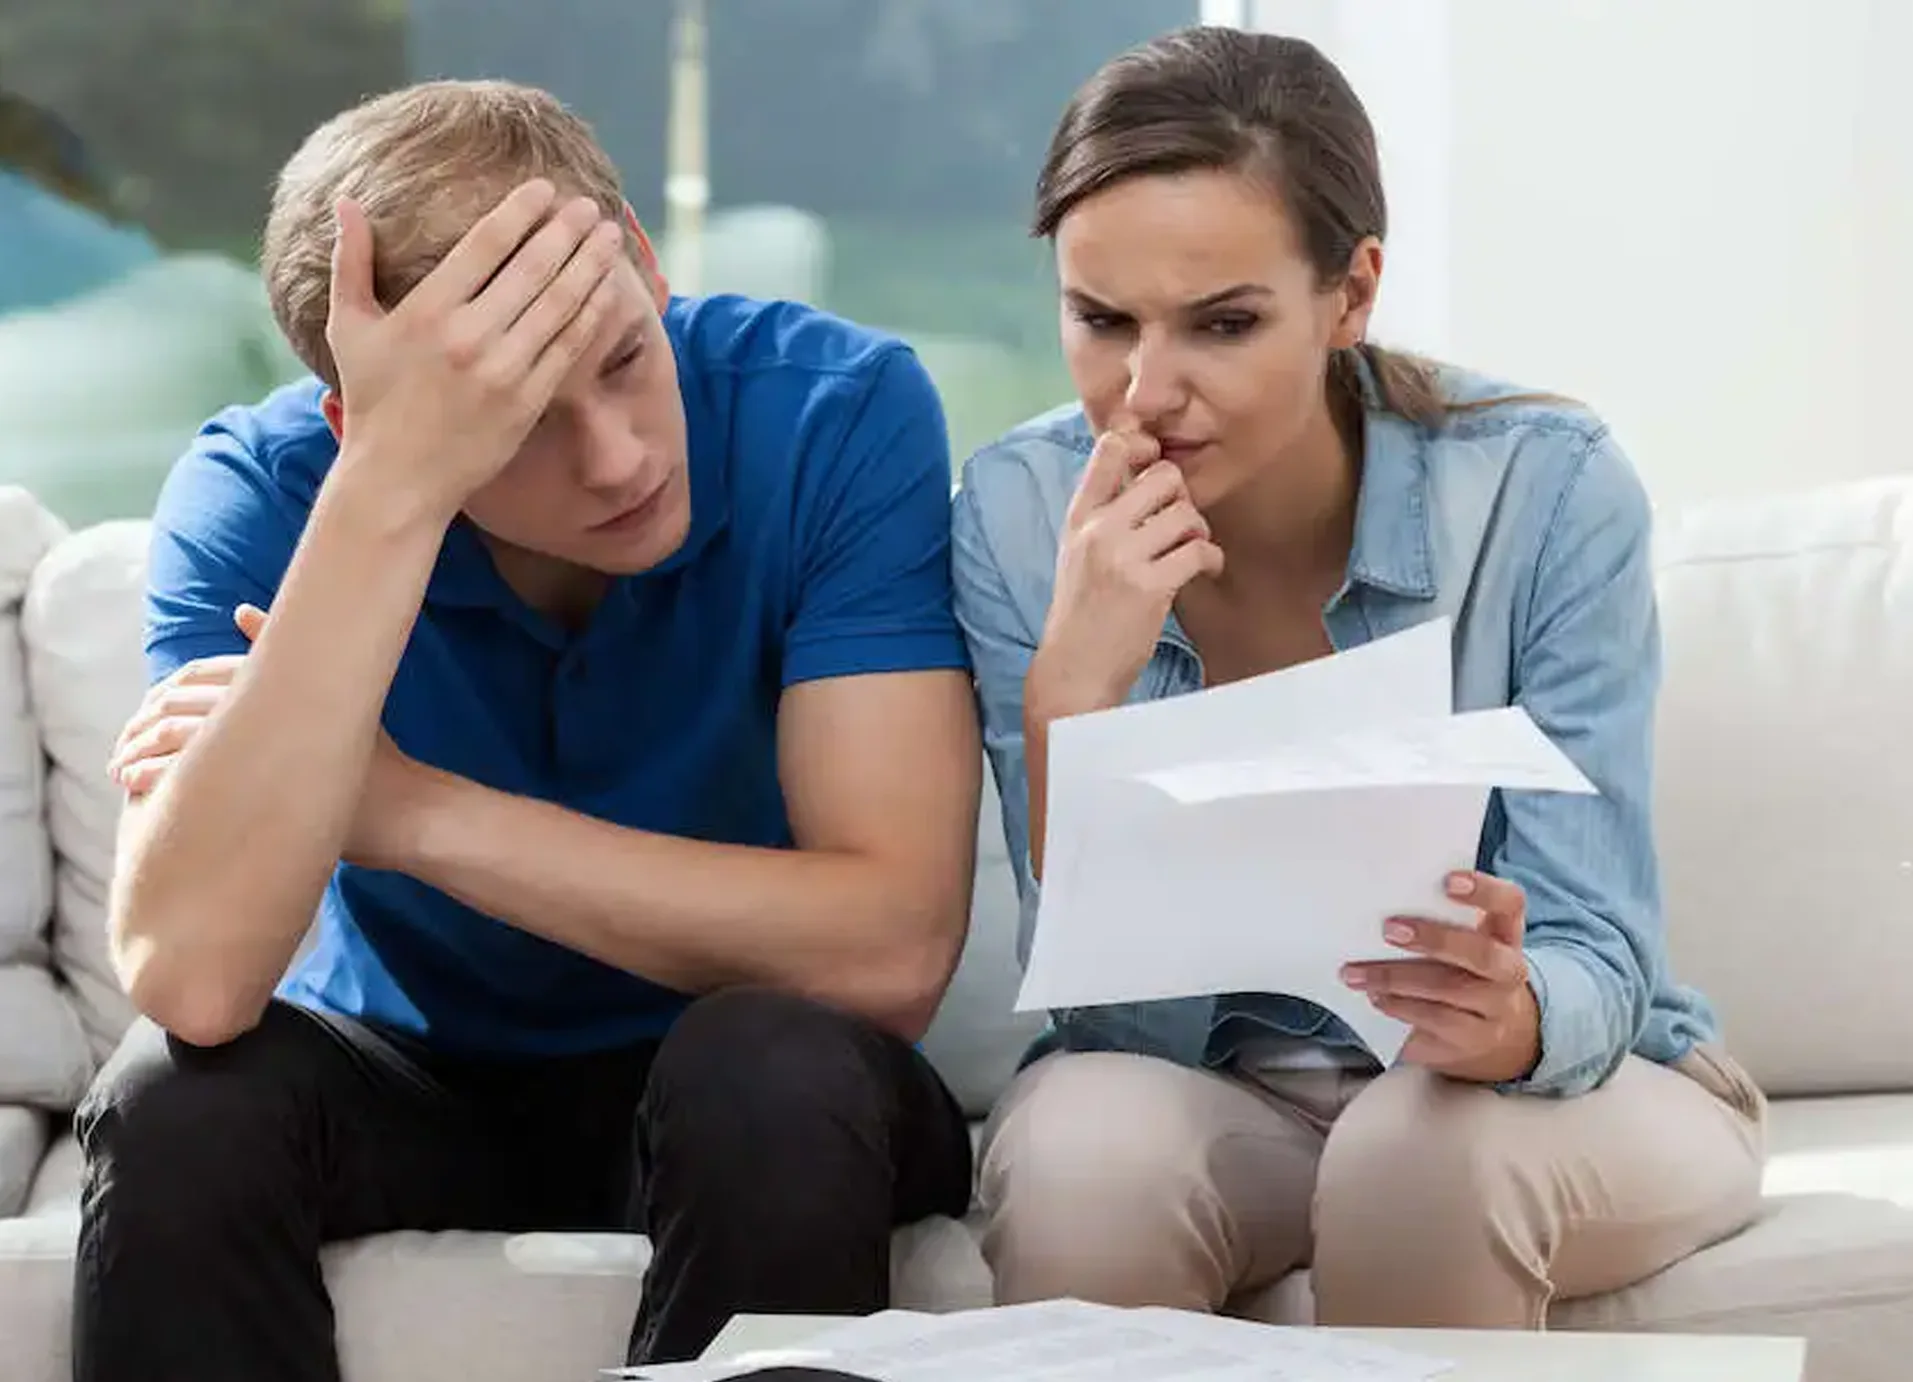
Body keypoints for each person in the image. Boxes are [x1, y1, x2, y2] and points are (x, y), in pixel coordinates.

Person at [80, 79, 981, 1380]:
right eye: (514, 425)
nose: (618, 459)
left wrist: (408, 811)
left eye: (622, 358)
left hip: (742, 1070)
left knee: (768, 1062)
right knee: (178, 1100)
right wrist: (391, 488)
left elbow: (892, 946)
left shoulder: (835, 409)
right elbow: (196, 980)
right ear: (362, 428)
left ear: (648, 262)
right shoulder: (265, 495)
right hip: (409, 1074)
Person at [952, 26, 1767, 1327]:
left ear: (1352, 292)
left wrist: (1502, 1015)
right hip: (1218, 1092)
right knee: (1080, 1159)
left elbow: (1599, 958)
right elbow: (1115, 1019)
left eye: (1223, 322)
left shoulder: (1544, 487)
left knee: (1411, 1153)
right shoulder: (1015, 509)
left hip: (1544, 1094)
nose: (1145, 393)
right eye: (1101, 319)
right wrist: (1073, 697)